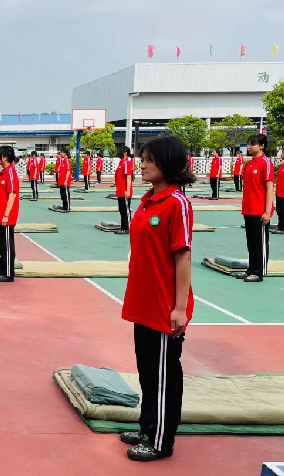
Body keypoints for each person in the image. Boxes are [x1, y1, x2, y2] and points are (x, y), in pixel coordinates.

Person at [119, 135, 195, 463]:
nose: (143, 165)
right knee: (147, 372)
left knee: (164, 376)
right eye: (142, 159)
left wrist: (179, 307)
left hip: (165, 306)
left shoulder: (177, 204)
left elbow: (183, 257)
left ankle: (161, 442)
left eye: (149, 159)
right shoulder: (148, 200)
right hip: (143, 302)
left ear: (167, 162)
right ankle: (148, 427)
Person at [241, 134, 274, 282]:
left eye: (252, 144)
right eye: (248, 144)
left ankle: (259, 272)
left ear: (261, 146)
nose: (249, 147)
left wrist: (267, 211)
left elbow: (269, 188)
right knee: (251, 242)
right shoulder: (249, 163)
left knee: (260, 243)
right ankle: (251, 269)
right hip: (248, 209)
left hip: (259, 210)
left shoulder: (266, 163)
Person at [0, 146, 19, 282]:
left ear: (5, 157)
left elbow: (12, 195)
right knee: (1, 243)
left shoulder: (10, 173)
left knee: (7, 245)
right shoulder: (3, 173)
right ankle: (3, 271)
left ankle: (8, 274)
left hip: (6, 217)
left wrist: (6, 215)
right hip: (0, 216)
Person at [115, 146, 133, 234]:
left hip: (125, 191)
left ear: (125, 153)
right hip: (120, 191)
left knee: (126, 210)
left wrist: (128, 190)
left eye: (120, 151)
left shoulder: (126, 163)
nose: (119, 153)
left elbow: (128, 177)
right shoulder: (121, 163)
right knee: (122, 210)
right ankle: (123, 227)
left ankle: (127, 228)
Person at [276, 152, 284, 235]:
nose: (282, 155)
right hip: (279, 193)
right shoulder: (282, 165)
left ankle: (282, 227)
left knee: (283, 211)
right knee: (279, 210)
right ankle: (280, 226)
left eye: (283, 153)